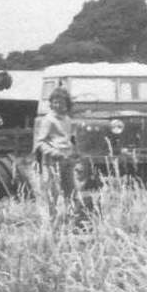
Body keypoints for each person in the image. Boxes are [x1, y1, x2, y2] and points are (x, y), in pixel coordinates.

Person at [32, 85, 91, 224]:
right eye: (55, 102)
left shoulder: (67, 119)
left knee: (70, 191)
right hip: (52, 161)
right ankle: (51, 221)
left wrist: (74, 152)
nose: (58, 105)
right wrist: (55, 152)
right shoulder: (48, 120)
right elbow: (40, 142)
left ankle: (71, 219)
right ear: (51, 103)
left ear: (67, 104)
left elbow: (68, 139)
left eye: (61, 102)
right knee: (52, 192)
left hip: (67, 160)